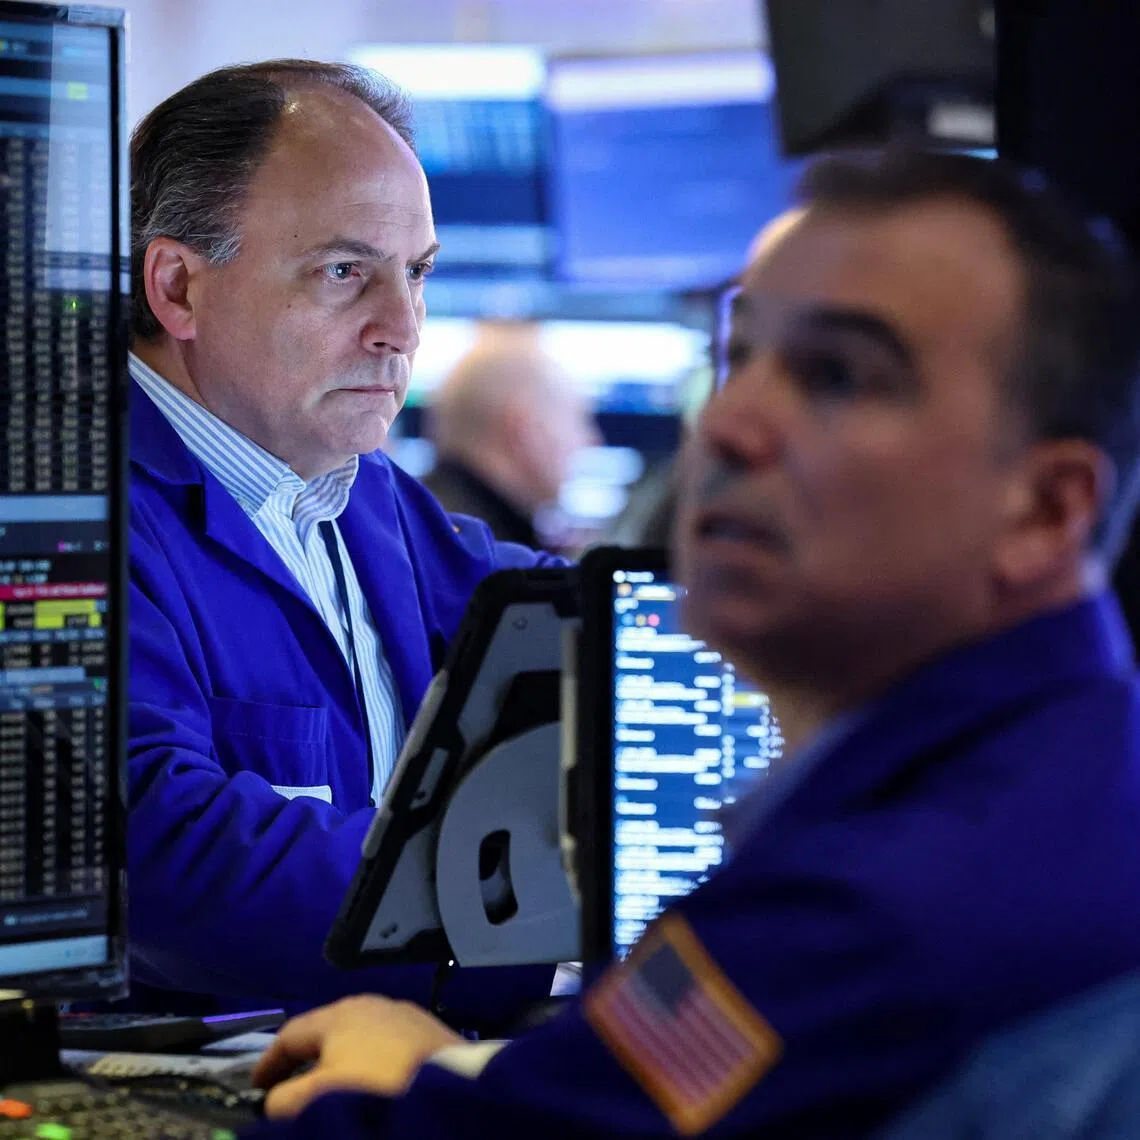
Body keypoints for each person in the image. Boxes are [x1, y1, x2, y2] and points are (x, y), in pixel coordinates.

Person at [242, 150, 1140, 1138]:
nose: (732, 425)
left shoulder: (855, 915)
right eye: (739, 358)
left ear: (1048, 509)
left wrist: (401, 1104)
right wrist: (476, 1077)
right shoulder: (1077, 776)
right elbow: (612, 1097)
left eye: (839, 375)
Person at [127, 60, 559, 1020]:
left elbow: (570, 622)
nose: (401, 328)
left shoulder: (364, 497)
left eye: (416, 273)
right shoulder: (73, 525)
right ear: (178, 287)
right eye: (343, 271)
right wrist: (521, 911)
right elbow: (161, 845)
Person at [421, 323, 600, 548]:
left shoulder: (416, 517)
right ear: (527, 430)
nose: (591, 440)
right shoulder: (488, 556)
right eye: (580, 420)